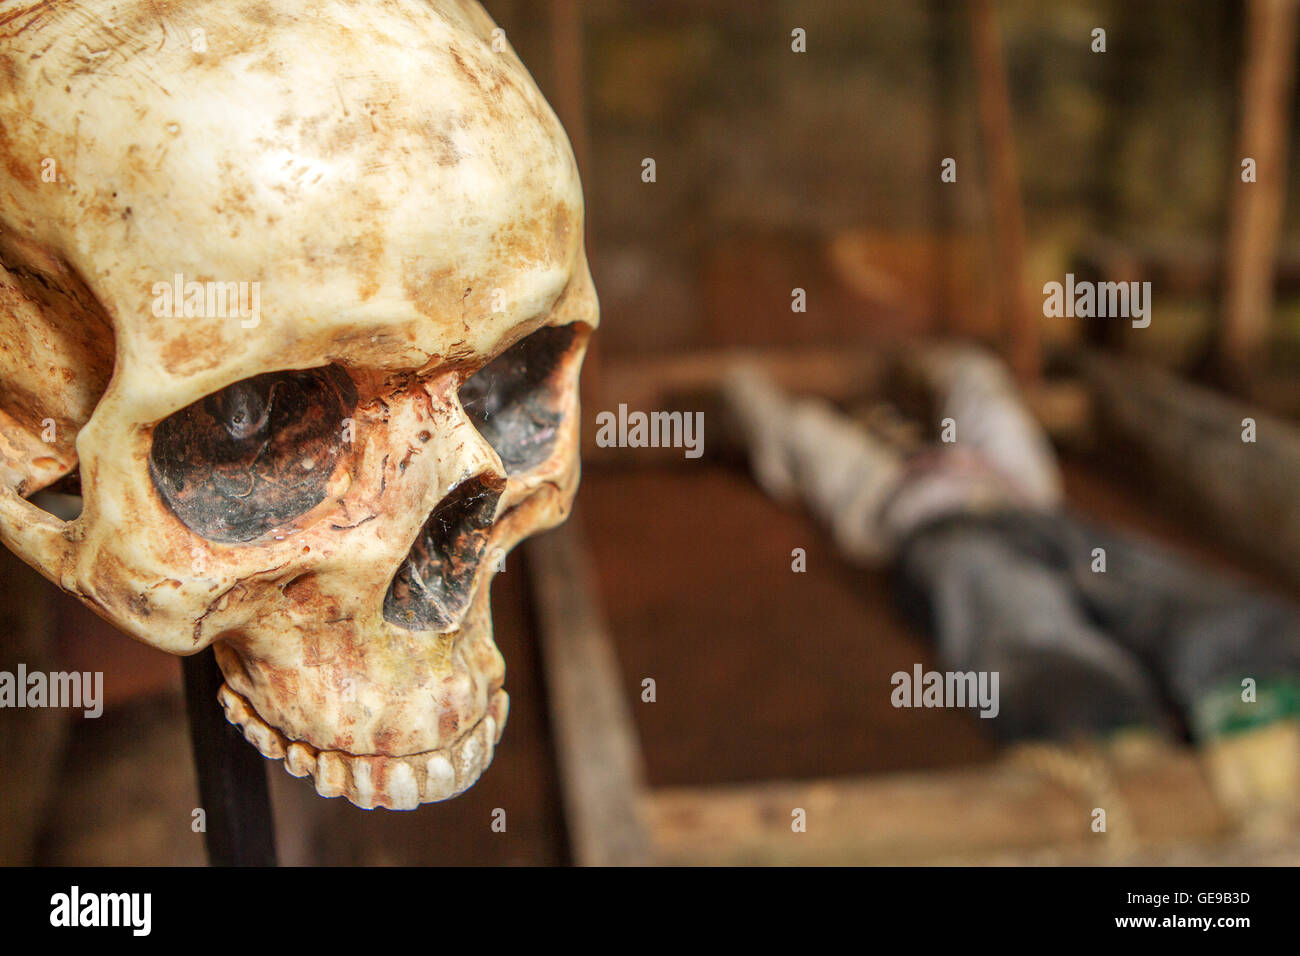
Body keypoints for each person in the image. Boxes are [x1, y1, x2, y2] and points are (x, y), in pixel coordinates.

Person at [723, 345, 1300, 822]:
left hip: (1033, 512)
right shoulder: (869, 482)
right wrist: (744, 384)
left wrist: (925, 361)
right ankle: (1104, 734)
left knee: (1143, 575)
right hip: (936, 532)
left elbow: (980, 383)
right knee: (1009, 608)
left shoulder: (998, 456)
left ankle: (1261, 686)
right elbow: (792, 435)